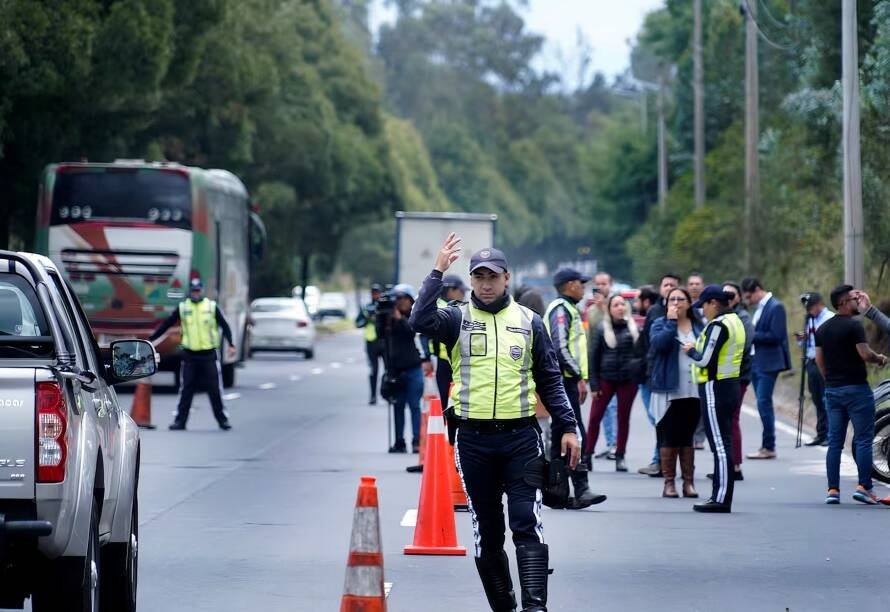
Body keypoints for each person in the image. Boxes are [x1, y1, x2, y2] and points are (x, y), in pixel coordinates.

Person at [410, 235, 582, 612]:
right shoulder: (456, 317)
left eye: (493, 276)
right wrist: (437, 270)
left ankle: (535, 606)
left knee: (525, 521)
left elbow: (550, 379)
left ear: (507, 278)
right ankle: (504, 605)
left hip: (521, 438)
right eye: (479, 276)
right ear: (471, 280)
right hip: (473, 441)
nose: (486, 283)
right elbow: (419, 319)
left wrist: (568, 427)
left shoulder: (530, 321)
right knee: (488, 532)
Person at [815, 285, 889, 505]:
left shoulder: (822, 329)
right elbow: (865, 354)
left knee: (835, 442)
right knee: (864, 440)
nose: (857, 302)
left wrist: (829, 380)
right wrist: (880, 359)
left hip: (833, 390)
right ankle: (864, 487)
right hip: (857, 390)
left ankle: (833, 490)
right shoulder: (853, 326)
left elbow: (819, 360)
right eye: (854, 299)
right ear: (844, 303)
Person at [544, 268, 608, 509]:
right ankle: (580, 489)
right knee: (573, 432)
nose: (583, 287)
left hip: (566, 380)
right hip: (563, 380)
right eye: (581, 283)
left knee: (563, 435)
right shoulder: (561, 309)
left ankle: (559, 492)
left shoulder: (568, 308)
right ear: (570, 285)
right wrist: (579, 376)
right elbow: (560, 348)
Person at [683, 285, 747, 513]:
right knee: (724, 442)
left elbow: (704, 360)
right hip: (730, 385)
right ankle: (720, 496)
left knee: (720, 445)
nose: (703, 312)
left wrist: (690, 350)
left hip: (715, 387)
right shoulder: (736, 321)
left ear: (712, 303)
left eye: (704, 306)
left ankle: (720, 498)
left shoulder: (719, 325)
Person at [149, 278, 235, 431]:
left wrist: (231, 344)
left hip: (208, 354)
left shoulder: (211, 306)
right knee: (186, 389)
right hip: (190, 355)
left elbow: (225, 326)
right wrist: (152, 339)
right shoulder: (183, 307)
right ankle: (180, 422)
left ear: (201, 290)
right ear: (190, 291)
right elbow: (167, 324)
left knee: (214, 389)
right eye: (193, 290)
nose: (196, 293)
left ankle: (222, 420)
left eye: (198, 290)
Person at [648, 287, 704, 498]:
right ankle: (669, 482)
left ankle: (688, 482)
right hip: (668, 389)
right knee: (669, 435)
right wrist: (671, 323)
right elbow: (658, 346)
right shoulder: (659, 324)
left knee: (687, 436)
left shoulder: (699, 326)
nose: (677, 302)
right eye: (672, 299)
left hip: (694, 388)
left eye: (681, 299)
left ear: (689, 303)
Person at [587, 294, 644, 472]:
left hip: (628, 381)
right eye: (616, 305)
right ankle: (587, 455)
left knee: (623, 418)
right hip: (606, 379)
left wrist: (638, 375)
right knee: (595, 417)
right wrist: (594, 385)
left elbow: (641, 355)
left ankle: (620, 455)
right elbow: (593, 358)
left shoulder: (634, 328)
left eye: (622, 304)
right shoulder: (601, 328)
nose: (620, 307)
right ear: (610, 309)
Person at [741, 277, 791, 460]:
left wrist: (751, 335)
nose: (748, 301)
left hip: (769, 363)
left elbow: (777, 335)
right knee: (762, 403)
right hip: (757, 361)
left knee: (764, 402)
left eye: (749, 296)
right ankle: (766, 445)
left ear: (756, 290)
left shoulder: (775, 306)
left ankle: (769, 446)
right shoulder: (760, 309)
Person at [378, 283, 428, 453]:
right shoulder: (388, 318)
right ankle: (399, 441)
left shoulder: (414, 316)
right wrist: (384, 317)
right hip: (396, 371)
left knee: (414, 405)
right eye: (396, 299)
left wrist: (400, 319)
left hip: (413, 368)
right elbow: (380, 337)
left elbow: (411, 332)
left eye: (403, 299)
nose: (399, 302)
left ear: (410, 300)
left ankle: (416, 441)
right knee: (398, 406)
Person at [638, 273, 680, 476]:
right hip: (653, 373)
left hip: (676, 376)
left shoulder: (687, 315)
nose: (669, 287)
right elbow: (649, 344)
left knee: (669, 421)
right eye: (666, 284)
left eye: (673, 285)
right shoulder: (654, 312)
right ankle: (660, 459)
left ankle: (664, 461)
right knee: (657, 418)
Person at [719, 282, 753, 481]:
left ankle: (736, 465)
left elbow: (745, 345)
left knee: (732, 419)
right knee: (723, 421)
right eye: (724, 295)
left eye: (732, 294)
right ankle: (726, 464)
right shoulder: (721, 317)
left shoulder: (743, 318)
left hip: (738, 375)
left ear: (739, 296)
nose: (728, 297)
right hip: (723, 375)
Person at [585, 272, 619, 460]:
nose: (601, 287)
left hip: (618, 366)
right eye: (597, 284)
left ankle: (615, 444)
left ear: (610, 285)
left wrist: (607, 308)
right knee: (603, 408)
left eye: (604, 283)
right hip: (601, 366)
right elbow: (591, 343)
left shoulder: (618, 305)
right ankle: (610, 443)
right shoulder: (591, 311)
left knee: (614, 408)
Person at [794, 292, 834, 446]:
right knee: (816, 398)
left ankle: (831, 434)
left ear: (819, 304)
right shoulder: (810, 320)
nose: (809, 311)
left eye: (811, 308)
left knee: (827, 398)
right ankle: (821, 433)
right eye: (807, 309)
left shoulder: (828, 318)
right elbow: (809, 343)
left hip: (825, 362)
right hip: (811, 362)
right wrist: (801, 340)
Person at [634, 285, 662, 476]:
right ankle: (659, 459)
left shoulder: (654, 312)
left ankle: (659, 460)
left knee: (657, 418)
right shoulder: (658, 312)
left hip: (650, 375)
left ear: (646, 301)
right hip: (650, 373)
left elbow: (650, 346)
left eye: (637, 300)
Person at [428, 275, 469, 406]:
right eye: (461, 291)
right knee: (447, 402)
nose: (463, 294)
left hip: (456, 361)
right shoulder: (442, 308)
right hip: (445, 361)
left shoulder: (457, 307)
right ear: (451, 290)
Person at [355, 283, 385, 405]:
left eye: (377, 292)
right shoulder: (366, 308)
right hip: (371, 342)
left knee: (389, 370)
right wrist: (367, 319)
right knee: (374, 370)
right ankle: (373, 396)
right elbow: (358, 323)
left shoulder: (384, 307)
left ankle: (386, 393)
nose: (375, 295)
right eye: (373, 293)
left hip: (383, 341)